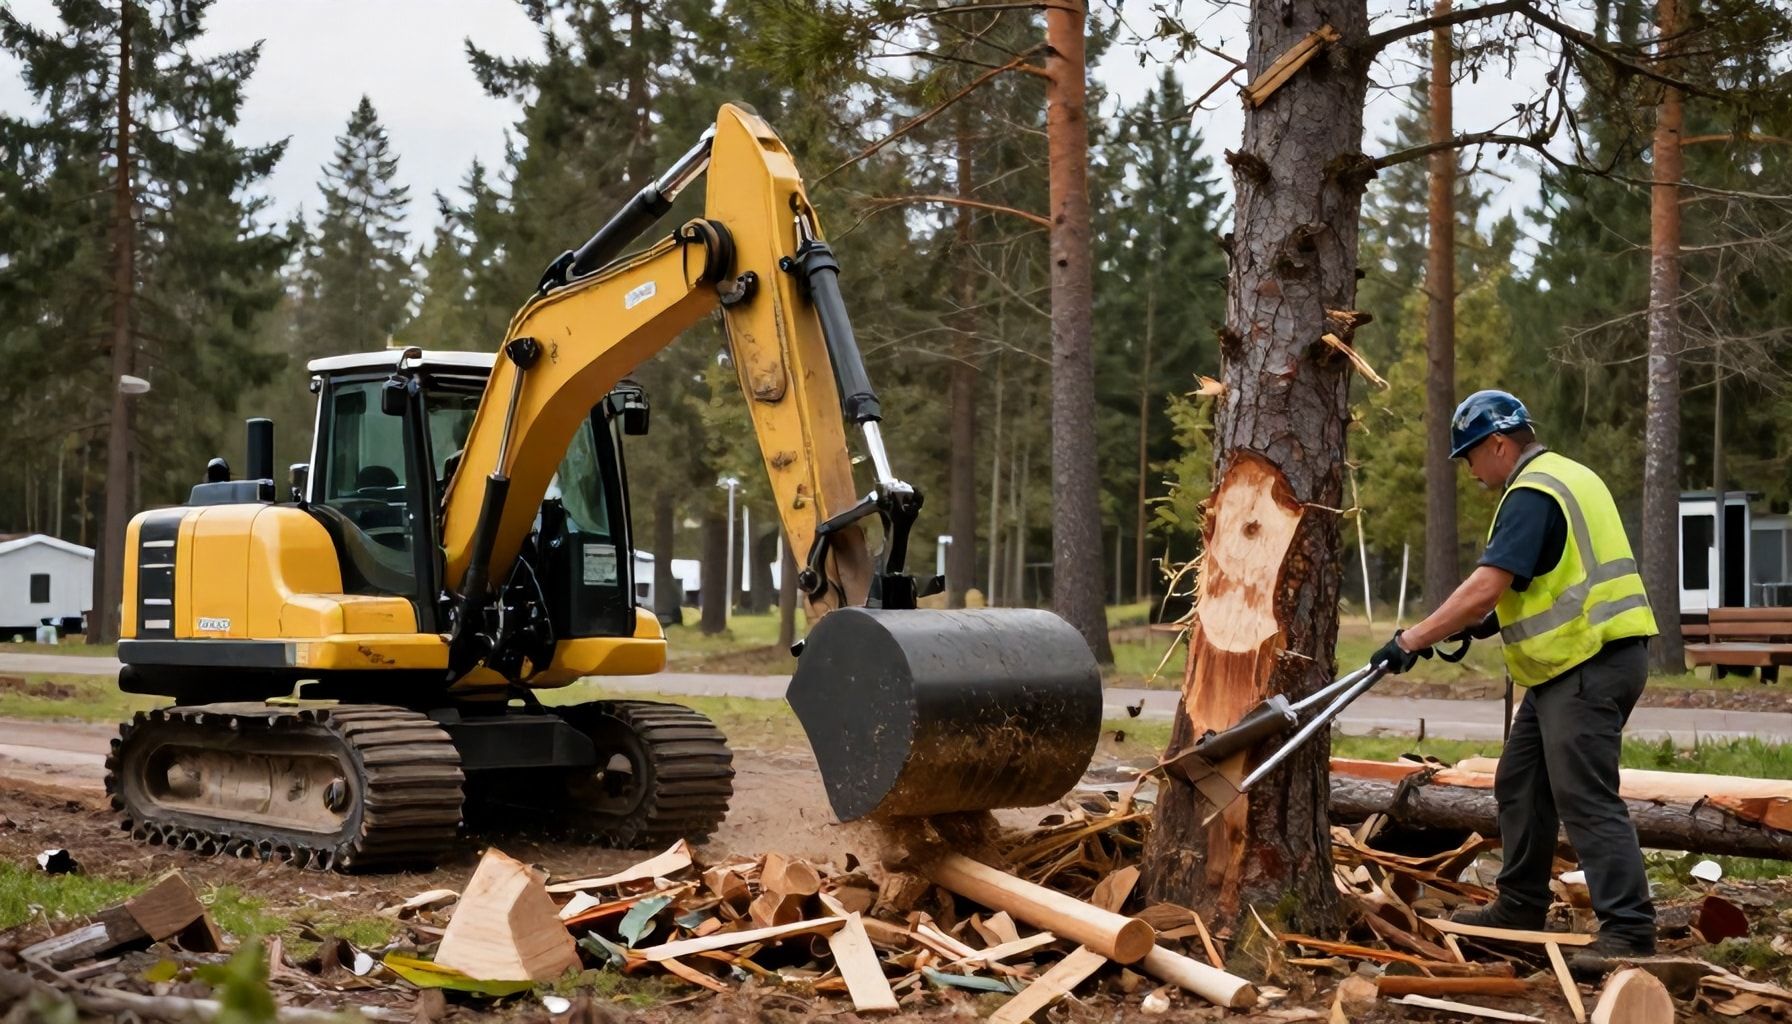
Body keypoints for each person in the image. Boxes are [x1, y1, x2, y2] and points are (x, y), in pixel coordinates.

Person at [1371, 389, 1659, 958]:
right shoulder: (1571, 476)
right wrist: (1482, 623)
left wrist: (1412, 639)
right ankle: (1520, 905)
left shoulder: (1531, 491)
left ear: (1499, 444)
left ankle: (1628, 929)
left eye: (1471, 457)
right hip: (1578, 664)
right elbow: (1549, 572)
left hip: (1587, 662)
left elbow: (1486, 585)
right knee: (1521, 782)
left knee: (1585, 798)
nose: (1473, 473)